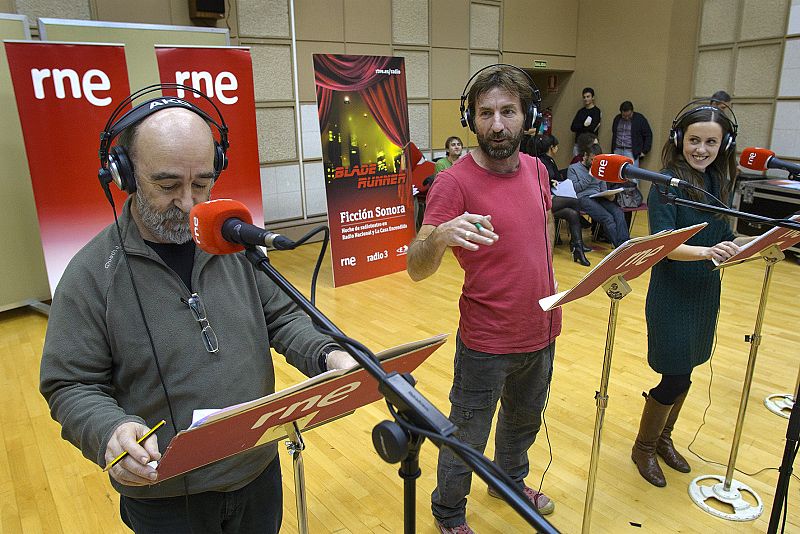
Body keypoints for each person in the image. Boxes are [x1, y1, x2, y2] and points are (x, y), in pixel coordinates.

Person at [39, 98, 356, 534]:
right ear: (124, 176)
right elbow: (69, 383)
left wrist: (328, 355)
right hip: (166, 496)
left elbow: (283, 317)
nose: (188, 203)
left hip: (256, 470)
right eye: (167, 185)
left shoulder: (233, 246)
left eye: (202, 183)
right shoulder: (91, 273)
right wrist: (110, 431)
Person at [407, 65, 561, 534]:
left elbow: (545, 228)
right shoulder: (452, 182)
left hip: (541, 329)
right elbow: (416, 267)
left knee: (523, 422)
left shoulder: (537, 169)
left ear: (526, 116)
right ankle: (449, 513)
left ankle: (510, 482)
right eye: (486, 113)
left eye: (508, 112)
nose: (498, 124)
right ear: (471, 119)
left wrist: (551, 293)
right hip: (486, 342)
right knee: (466, 437)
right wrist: (440, 238)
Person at [632, 104, 749, 488]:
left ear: (724, 144)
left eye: (711, 142)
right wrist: (707, 253)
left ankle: (663, 438)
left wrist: (773, 235)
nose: (701, 149)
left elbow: (725, 238)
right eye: (694, 140)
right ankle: (644, 447)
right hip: (672, 293)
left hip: (704, 290)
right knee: (674, 374)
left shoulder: (718, 180)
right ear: (679, 139)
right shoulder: (665, 182)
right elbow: (662, 245)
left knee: (688, 369)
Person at [534, 134, 591, 266]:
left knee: (572, 213)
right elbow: (539, 182)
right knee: (575, 202)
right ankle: (578, 240)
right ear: (551, 148)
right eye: (556, 146)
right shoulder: (541, 161)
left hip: (551, 197)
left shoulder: (550, 160)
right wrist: (550, 182)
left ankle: (578, 248)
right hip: (541, 201)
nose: (558, 148)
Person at [568, 144, 630, 247]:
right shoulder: (573, 168)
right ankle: (620, 247)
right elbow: (574, 188)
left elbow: (603, 188)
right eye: (592, 160)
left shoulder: (599, 169)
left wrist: (609, 196)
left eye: (596, 161)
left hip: (598, 196)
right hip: (583, 197)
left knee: (618, 212)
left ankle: (625, 243)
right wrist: (589, 175)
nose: (593, 163)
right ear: (585, 156)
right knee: (607, 218)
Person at [611, 101, 653, 167]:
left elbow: (648, 134)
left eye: (629, 115)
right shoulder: (617, 119)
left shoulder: (640, 119)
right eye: (624, 116)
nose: (627, 118)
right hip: (617, 150)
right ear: (621, 112)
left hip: (631, 152)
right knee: (616, 172)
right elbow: (614, 133)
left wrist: (645, 151)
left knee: (632, 175)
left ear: (632, 111)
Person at [570, 87, 601, 155]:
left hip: (590, 144)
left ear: (593, 97)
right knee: (577, 163)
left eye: (588, 96)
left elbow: (592, 128)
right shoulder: (580, 112)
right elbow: (573, 127)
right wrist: (584, 125)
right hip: (578, 144)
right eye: (584, 97)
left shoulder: (596, 111)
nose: (586, 99)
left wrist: (581, 127)